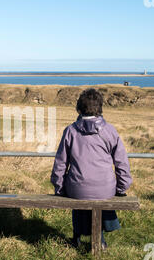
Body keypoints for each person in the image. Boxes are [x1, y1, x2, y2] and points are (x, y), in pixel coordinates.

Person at [50, 88, 132, 250]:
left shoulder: (70, 131)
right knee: (98, 194)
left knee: (79, 192)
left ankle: (78, 237)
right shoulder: (110, 131)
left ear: (79, 108)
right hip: (106, 189)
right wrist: (121, 188)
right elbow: (122, 163)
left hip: (77, 189)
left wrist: (59, 188)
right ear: (100, 108)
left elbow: (60, 164)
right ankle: (100, 241)